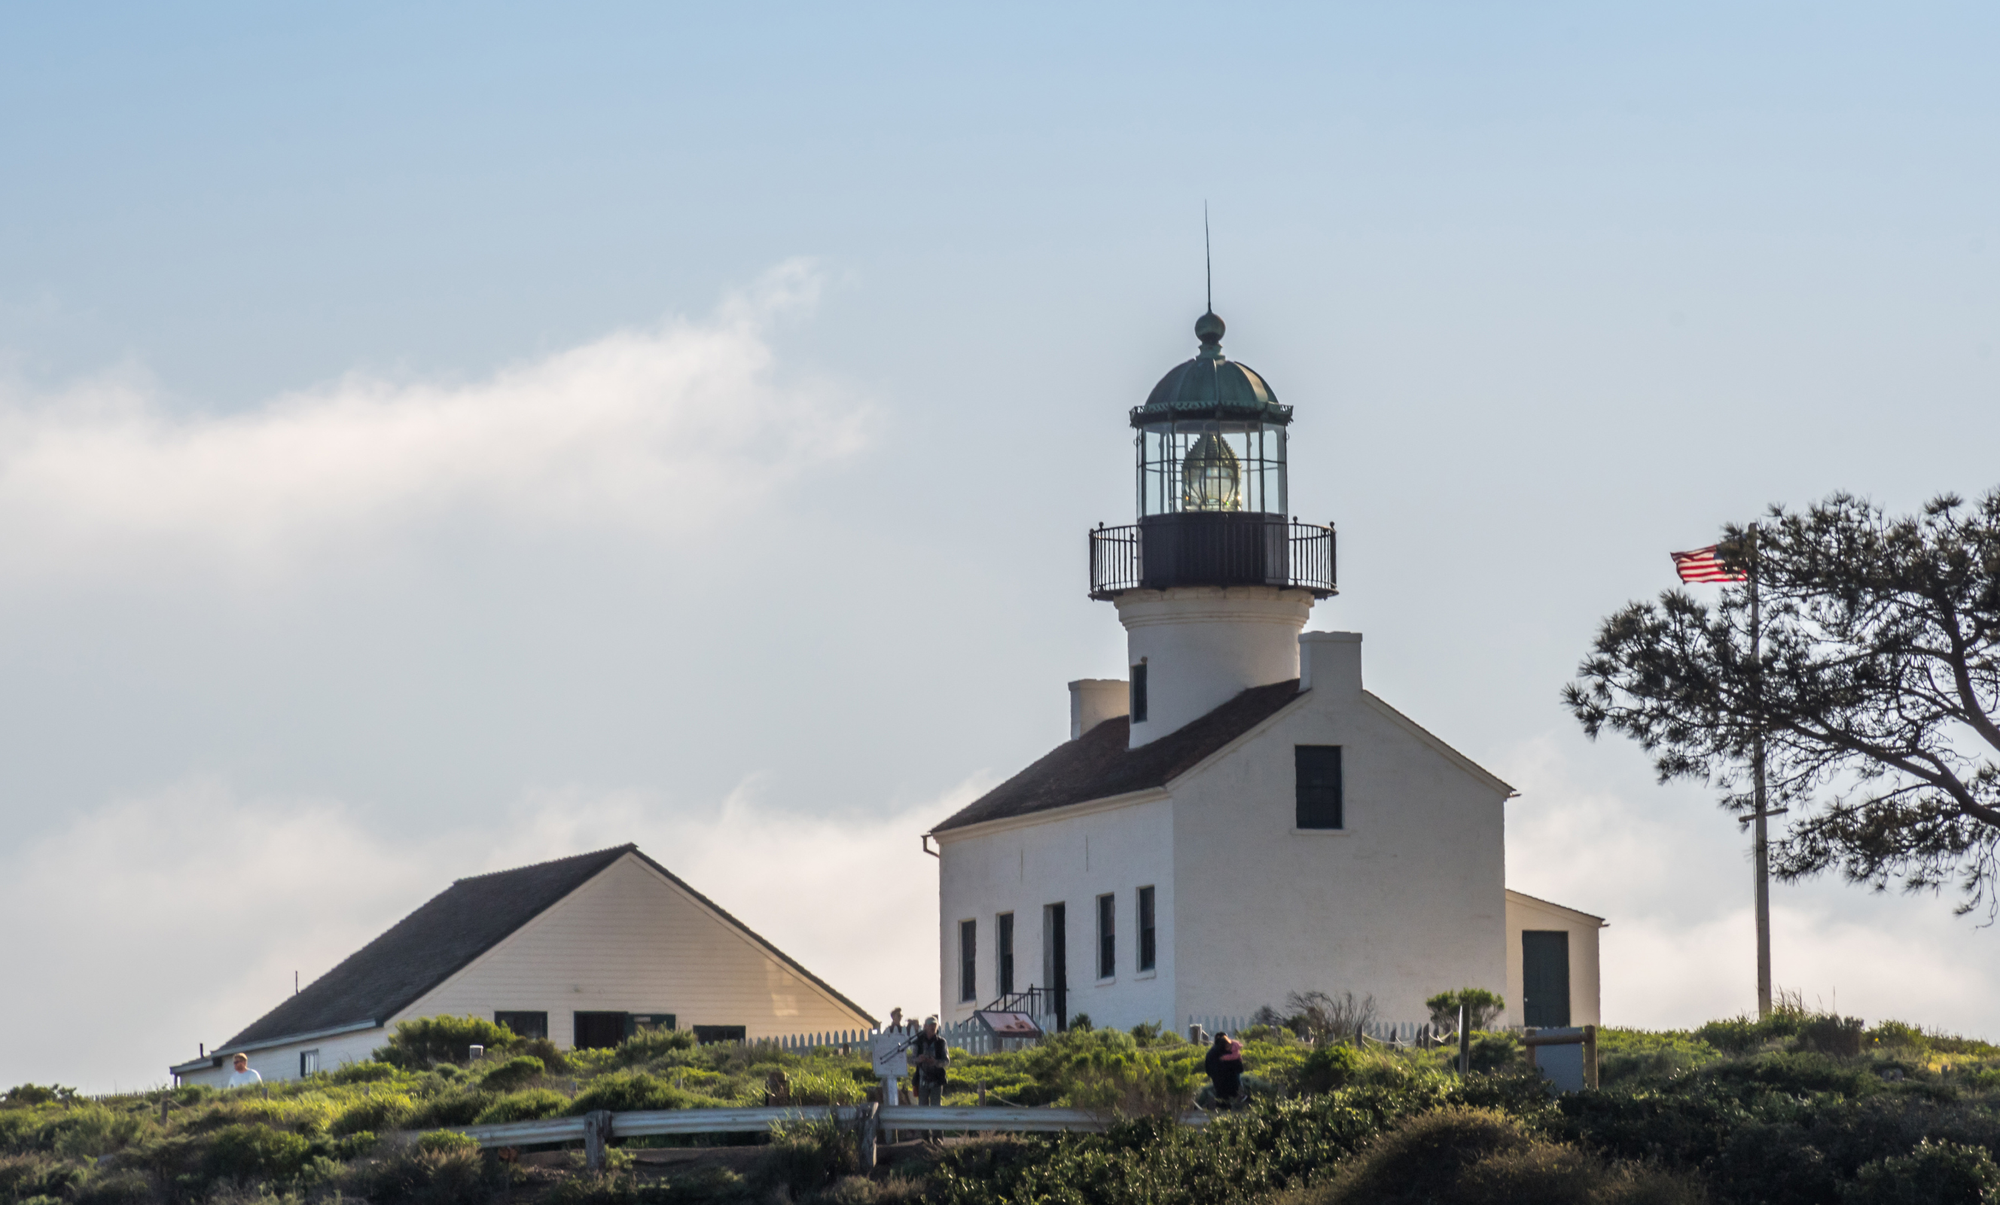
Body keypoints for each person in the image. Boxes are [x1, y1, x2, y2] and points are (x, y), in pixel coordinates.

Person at [909, 1016, 950, 1136]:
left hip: (937, 1080)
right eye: (930, 1025)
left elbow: (946, 1061)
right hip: (922, 1080)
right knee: (923, 1109)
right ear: (925, 1027)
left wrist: (935, 1062)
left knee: (936, 1109)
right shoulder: (918, 1042)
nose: (932, 1027)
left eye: (934, 1025)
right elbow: (911, 1060)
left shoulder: (941, 1042)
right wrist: (918, 1059)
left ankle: (938, 1136)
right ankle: (925, 1136)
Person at [1204, 1032, 1242, 1106]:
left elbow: (1208, 1069)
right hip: (1230, 1082)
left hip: (1217, 1081)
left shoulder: (1211, 1053)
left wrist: (1213, 1075)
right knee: (1227, 1101)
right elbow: (1240, 1068)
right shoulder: (1230, 1053)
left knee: (1220, 1098)